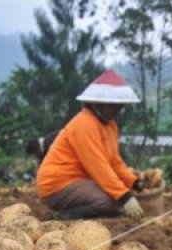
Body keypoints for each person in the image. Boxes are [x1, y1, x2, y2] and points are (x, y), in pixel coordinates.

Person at [36, 70, 144, 221]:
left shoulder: (110, 126)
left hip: (78, 180)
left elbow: (114, 162)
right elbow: (98, 166)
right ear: (98, 104)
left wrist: (134, 182)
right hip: (57, 184)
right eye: (113, 107)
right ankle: (64, 216)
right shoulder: (85, 124)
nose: (117, 111)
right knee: (107, 202)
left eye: (120, 106)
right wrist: (125, 196)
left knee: (114, 199)